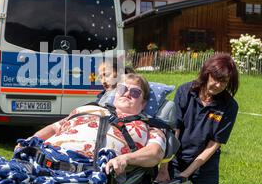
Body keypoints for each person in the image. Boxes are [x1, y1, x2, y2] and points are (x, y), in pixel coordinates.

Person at [157, 53, 239, 184]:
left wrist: (187, 173)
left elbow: (214, 144)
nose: (217, 85)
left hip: (205, 167)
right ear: (207, 73)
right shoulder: (185, 91)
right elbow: (174, 130)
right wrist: (165, 167)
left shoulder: (229, 106)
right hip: (177, 161)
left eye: (223, 82)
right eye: (215, 78)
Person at [33, 73, 166, 176]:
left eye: (135, 92)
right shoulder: (86, 109)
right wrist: (30, 141)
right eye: (122, 88)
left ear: (143, 103)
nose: (126, 93)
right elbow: (53, 128)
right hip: (40, 158)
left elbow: (155, 153)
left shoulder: (149, 128)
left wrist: (125, 159)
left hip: (83, 172)